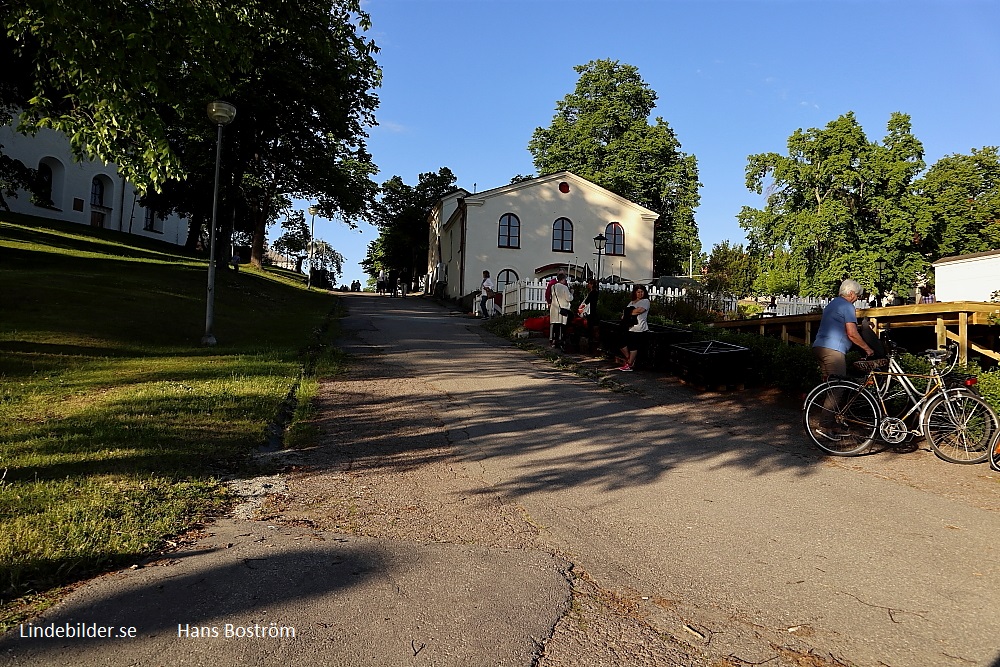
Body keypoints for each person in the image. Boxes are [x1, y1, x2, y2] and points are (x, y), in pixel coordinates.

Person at [812, 279, 876, 439]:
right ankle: (825, 425)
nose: (858, 299)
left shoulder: (833, 304)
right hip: (833, 350)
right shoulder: (847, 306)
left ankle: (833, 423)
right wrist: (867, 348)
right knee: (838, 388)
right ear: (851, 293)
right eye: (859, 296)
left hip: (819, 347)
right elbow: (852, 333)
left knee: (829, 386)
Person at [618, 284, 651, 371]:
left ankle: (630, 364)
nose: (640, 294)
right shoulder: (632, 302)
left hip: (639, 327)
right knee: (621, 343)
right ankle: (629, 359)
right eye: (638, 292)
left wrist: (628, 312)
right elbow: (625, 313)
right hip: (629, 327)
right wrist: (628, 313)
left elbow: (639, 311)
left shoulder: (645, 301)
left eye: (642, 292)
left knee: (633, 346)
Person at [548, 272, 573, 348]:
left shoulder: (553, 287)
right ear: (563, 279)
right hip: (563, 308)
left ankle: (555, 341)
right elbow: (569, 298)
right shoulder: (564, 287)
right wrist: (572, 293)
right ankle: (562, 341)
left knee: (555, 325)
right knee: (563, 326)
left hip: (555, 309)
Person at [578, 279, 599, 351]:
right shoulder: (594, 292)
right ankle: (591, 343)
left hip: (591, 312)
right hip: (592, 311)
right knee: (591, 327)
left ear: (592, 284)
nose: (588, 285)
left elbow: (587, 302)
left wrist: (581, 308)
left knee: (590, 327)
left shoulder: (592, 293)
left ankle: (590, 344)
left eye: (589, 283)